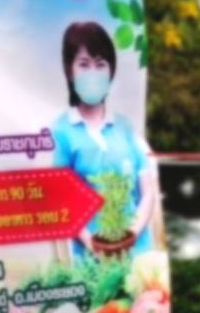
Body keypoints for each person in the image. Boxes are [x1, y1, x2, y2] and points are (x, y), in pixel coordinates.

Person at [50, 21, 160, 257]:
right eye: (84, 64)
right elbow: (63, 201)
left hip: (138, 255)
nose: (93, 73)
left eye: (100, 64)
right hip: (93, 261)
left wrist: (131, 234)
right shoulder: (62, 132)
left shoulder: (125, 127)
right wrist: (91, 242)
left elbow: (147, 192)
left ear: (111, 71)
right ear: (70, 70)